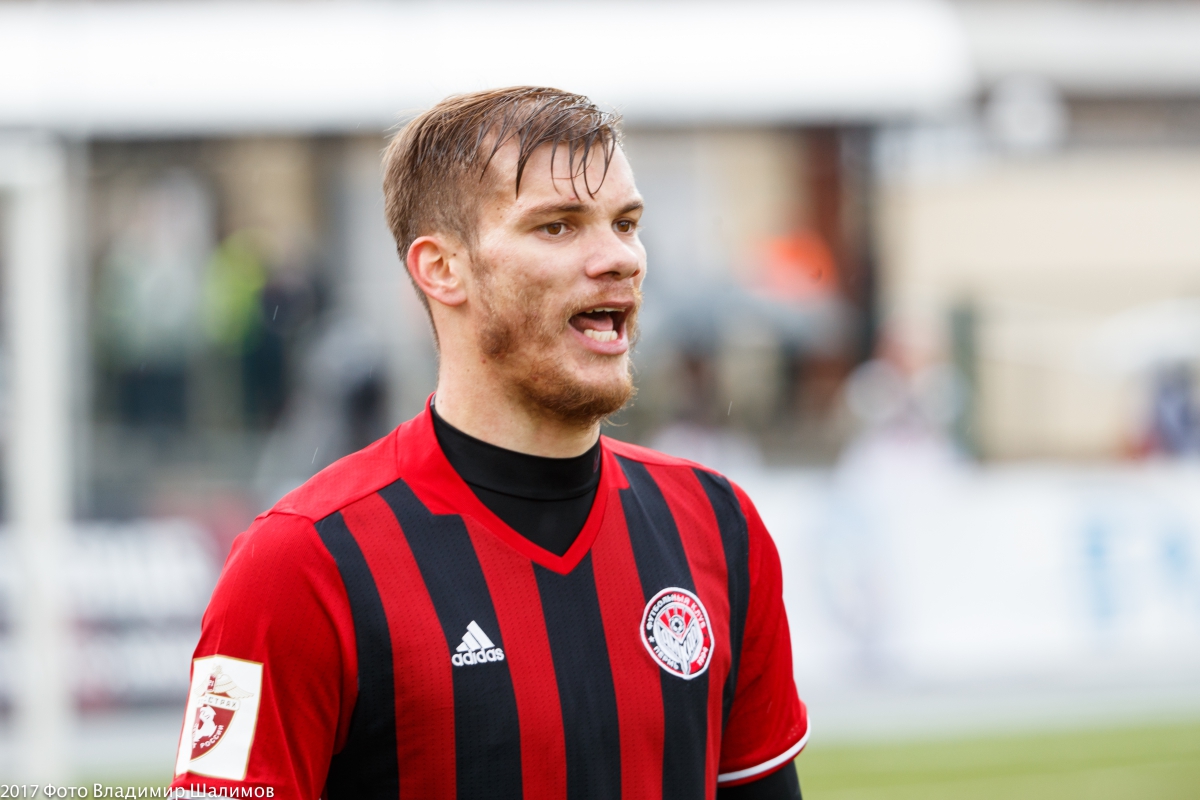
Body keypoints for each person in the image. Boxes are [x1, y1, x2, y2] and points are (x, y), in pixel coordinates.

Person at [170, 87, 808, 800]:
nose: (619, 258)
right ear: (442, 268)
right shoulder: (298, 564)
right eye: (558, 226)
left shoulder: (718, 527)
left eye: (625, 223)